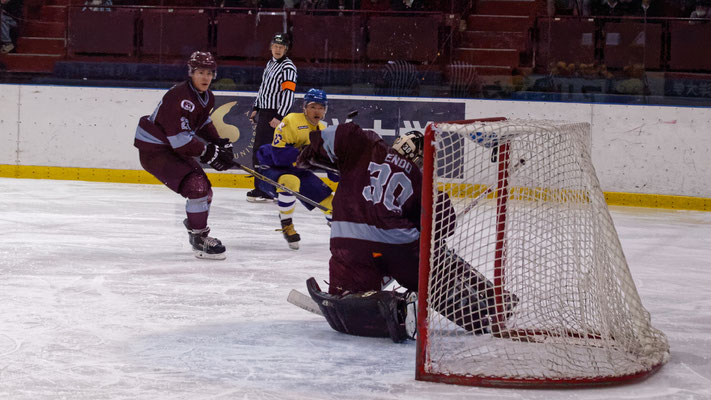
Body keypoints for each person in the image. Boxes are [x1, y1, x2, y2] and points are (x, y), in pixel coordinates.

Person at [296, 123, 517, 342]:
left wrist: (308, 155)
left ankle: (387, 305)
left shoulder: (364, 145)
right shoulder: (419, 179)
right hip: (399, 248)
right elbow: (443, 225)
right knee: (433, 266)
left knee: (345, 293)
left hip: (350, 243)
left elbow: (338, 134)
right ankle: (486, 308)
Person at [134, 51, 234, 260]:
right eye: (200, 72)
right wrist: (209, 152)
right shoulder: (179, 96)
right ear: (191, 73)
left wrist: (218, 142)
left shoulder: (206, 97)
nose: (205, 77)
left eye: (209, 73)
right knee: (196, 187)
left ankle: (196, 229)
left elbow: (203, 123)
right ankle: (199, 238)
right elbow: (180, 140)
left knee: (205, 192)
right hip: (155, 151)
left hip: (169, 148)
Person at [254, 88, 335, 250]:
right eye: (313, 106)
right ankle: (287, 224)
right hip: (272, 169)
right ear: (304, 108)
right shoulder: (291, 121)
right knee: (290, 182)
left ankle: (340, 231)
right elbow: (278, 157)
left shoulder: (322, 132)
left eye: (321, 107)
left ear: (325, 110)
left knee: (332, 205)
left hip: (298, 170)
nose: (317, 111)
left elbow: (332, 173)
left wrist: (336, 168)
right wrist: (309, 154)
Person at [247, 32, 297, 203]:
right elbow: (263, 88)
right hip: (265, 113)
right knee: (260, 151)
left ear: (286, 49)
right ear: (271, 47)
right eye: (275, 46)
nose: (277, 49)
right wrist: (256, 106)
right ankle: (262, 187)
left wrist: (279, 116)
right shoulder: (270, 63)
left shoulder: (288, 67)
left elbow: (289, 94)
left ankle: (268, 189)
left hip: (275, 115)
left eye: (281, 47)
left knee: (269, 152)